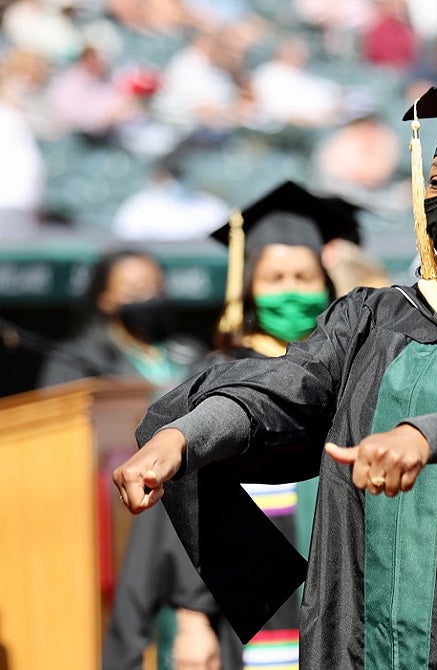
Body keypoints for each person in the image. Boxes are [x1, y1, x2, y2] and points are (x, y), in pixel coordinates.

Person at [113, 86, 437, 670]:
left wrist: (425, 437)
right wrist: (185, 436)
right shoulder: (375, 316)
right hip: (362, 631)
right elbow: (286, 384)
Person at [103, 180, 358, 670]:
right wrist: (193, 614)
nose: (291, 291)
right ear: (249, 287)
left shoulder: (350, 375)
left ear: (325, 284)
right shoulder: (210, 381)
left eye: (304, 277)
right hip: (239, 597)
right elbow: (180, 507)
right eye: (275, 277)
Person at [37, 249, 204, 390]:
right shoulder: (75, 359)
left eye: (157, 289)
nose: (148, 297)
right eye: (135, 292)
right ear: (105, 299)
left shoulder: (189, 351)